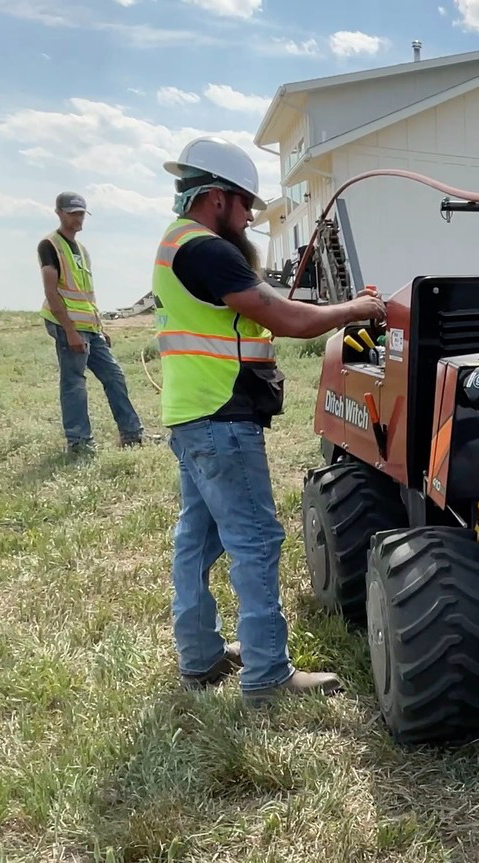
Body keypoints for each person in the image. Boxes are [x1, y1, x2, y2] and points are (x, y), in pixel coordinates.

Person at [154, 136, 385, 700]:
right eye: (246, 206)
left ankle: (201, 657)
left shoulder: (176, 243)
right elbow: (286, 318)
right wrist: (354, 309)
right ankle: (267, 675)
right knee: (255, 540)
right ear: (216, 198)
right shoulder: (207, 249)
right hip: (220, 416)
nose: (251, 218)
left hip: (190, 414)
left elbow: (257, 300)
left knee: (197, 538)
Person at [38, 191, 147, 456]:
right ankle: (79, 442)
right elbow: (52, 292)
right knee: (74, 383)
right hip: (68, 326)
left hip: (90, 326)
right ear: (59, 213)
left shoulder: (82, 251)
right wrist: (70, 330)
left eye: (81, 213)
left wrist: (100, 327)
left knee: (114, 376)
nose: (78, 218)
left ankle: (132, 434)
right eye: (72, 213)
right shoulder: (50, 245)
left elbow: (88, 293)